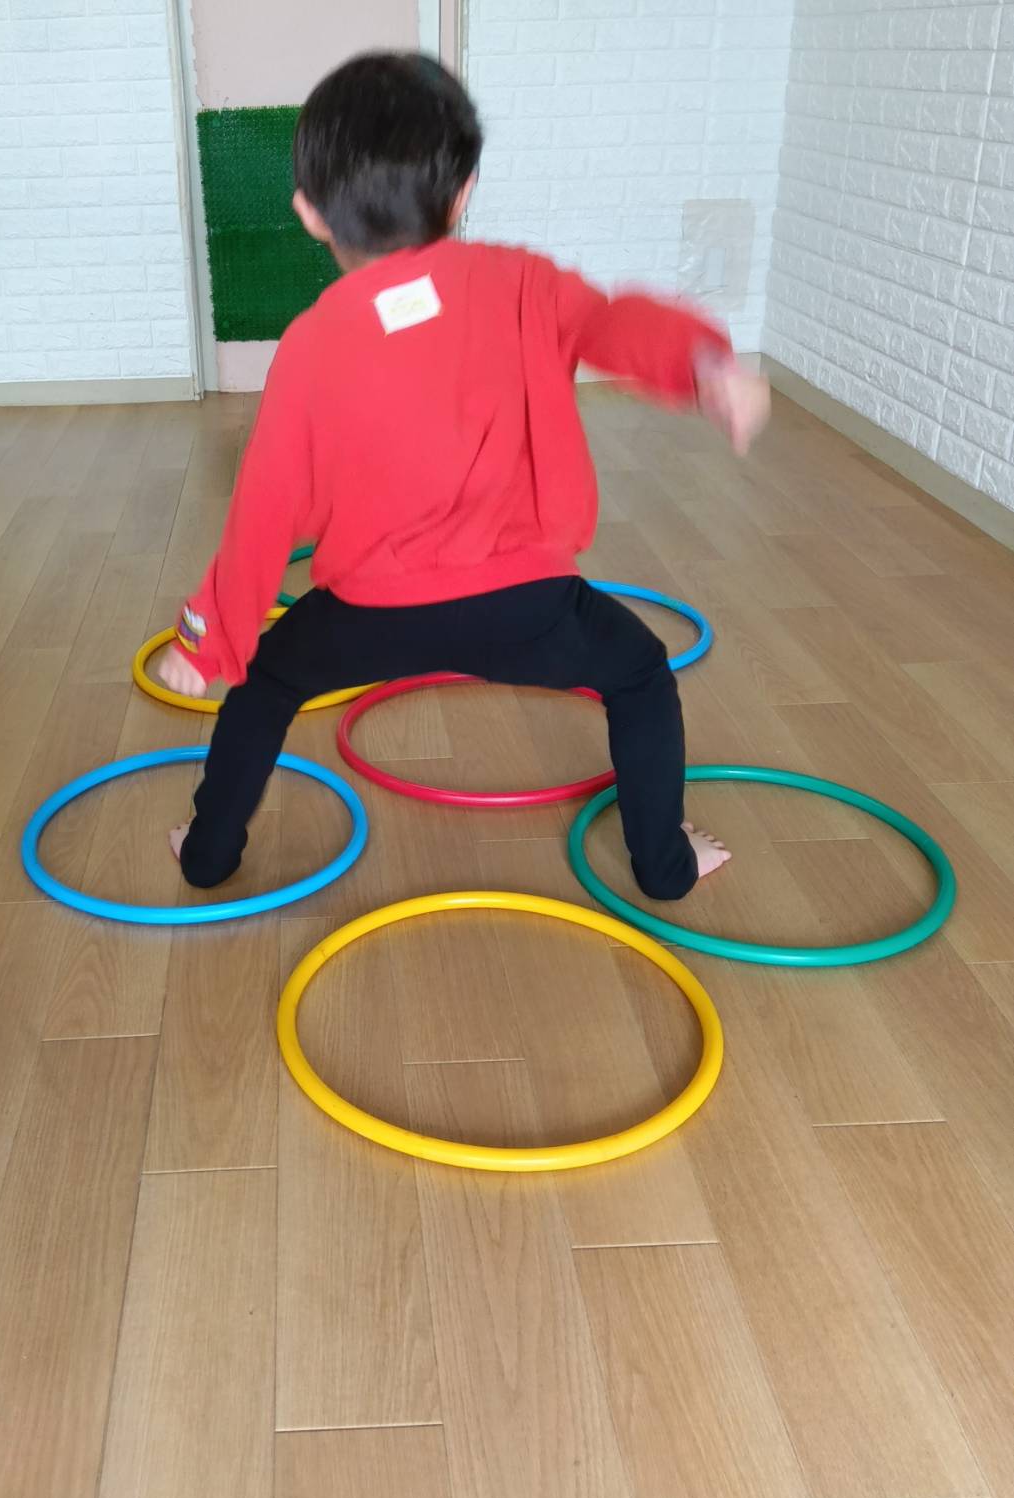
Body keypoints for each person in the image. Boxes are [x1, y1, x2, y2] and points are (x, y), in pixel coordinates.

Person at [159, 52, 770, 897]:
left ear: (309, 212)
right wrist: (703, 367)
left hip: (368, 612)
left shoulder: (310, 344)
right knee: (638, 674)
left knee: (266, 682)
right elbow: (613, 322)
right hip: (526, 607)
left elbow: (263, 511)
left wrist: (209, 641)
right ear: (462, 192)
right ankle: (665, 867)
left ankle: (207, 853)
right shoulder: (521, 283)